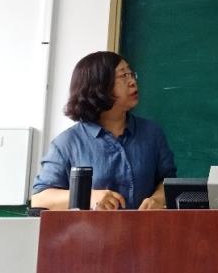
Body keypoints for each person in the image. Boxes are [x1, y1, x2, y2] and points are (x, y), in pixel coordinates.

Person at [30, 51, 175, 210]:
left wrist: (158, 199)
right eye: (123, 75)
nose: (133, 82)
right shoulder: (68, 143)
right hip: (89, 227)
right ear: (99, 85)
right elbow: (39, 198)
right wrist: (88, 196)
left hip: (145, 226)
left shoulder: (152, 133)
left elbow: (168, 180)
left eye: (131, 74)